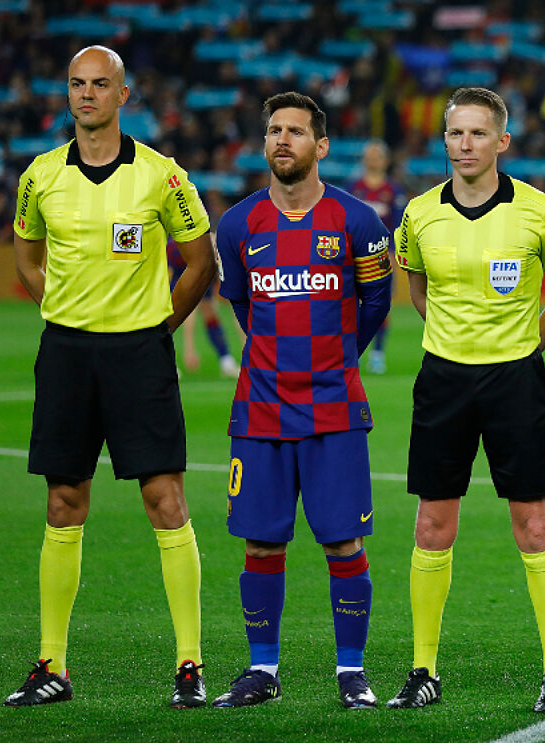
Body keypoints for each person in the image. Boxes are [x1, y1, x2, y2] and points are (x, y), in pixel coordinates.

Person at [7, 45, 214, 708]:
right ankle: (52, 665)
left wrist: (157, 327)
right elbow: (26, 252)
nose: (87, 94)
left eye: (100, 84)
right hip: (67, 354)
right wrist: (61, 310)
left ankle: (190, 663)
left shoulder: (162, 176)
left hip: (138, 355)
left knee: (165, 498)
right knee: (64, 501)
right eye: (77, 84)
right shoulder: (40, 176)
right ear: (66, 93)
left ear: (124, 95)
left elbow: (200, 261)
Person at [389, 87, 545, 712]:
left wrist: (526, 348)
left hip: (515, 383)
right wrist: (454, 337)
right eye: (454, 134)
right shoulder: (418, 215)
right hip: (443, 380)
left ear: (502, 141)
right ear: (443, 140)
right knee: (433, 523)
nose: (464, 145)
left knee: (533, 524)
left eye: (477, 134)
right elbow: (418, 290)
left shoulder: (541, 212)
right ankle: (422, 669)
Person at [211, 92, 393, 709]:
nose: (282, 140)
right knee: (261, 542)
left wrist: (335, 358)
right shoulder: (237, 225)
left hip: (334, 409)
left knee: (344, 542)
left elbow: (375, 305)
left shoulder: (359, 221)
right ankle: (263, 670)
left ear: (321, 145)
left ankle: (351, 672)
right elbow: (240, 304)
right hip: (260, 410)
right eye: (273, 131)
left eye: (295, 131)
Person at [350, 139, 408, 373]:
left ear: (385, 161)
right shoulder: (353, 188)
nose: (373, 160)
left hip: (383, 256)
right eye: (369, 156)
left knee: (380, 305)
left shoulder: (393, 190)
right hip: (354, 257)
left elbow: (399, 223)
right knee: (351, 305)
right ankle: (353, 350)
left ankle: (377, 353)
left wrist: (394, 253)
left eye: (377, 156)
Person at [167, 237, 240, 378]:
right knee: (180, 311)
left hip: (194, 250)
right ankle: (225, 361)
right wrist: (190, 349)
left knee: (206, 310)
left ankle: (226, 360)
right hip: (186, 250)